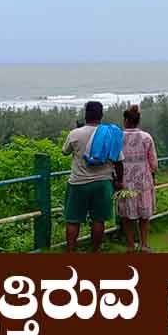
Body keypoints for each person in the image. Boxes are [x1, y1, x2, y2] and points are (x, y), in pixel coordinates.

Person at [60, 101, 124, 252]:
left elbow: (65, 151)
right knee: (98, 220)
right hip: (102, 183)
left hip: (78, 183)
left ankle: (70, 251)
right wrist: (119, 181)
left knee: (73, 220)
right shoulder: (109, 134)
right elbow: (119, 161)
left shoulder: (75, 134)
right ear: (101, 115)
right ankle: (95, 251)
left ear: (85, 114)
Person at [117, 105, 158, 253]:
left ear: (126, 120)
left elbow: (114, 159)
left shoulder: (118, 138)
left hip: (125, 181)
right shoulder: (146, 137)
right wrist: (152, 175)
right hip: (144, 180)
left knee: (127, 215)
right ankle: (144, 244)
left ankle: (130, 245)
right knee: (144, 215)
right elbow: (153, 162)